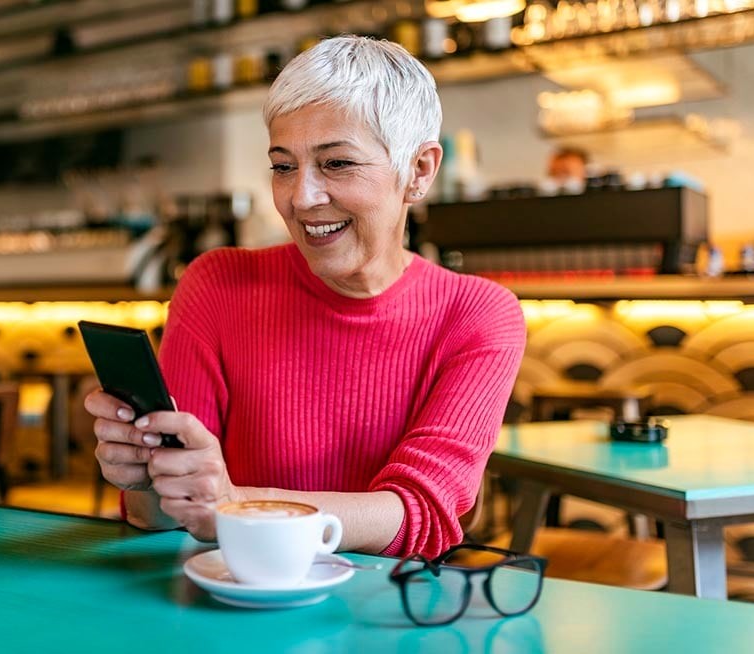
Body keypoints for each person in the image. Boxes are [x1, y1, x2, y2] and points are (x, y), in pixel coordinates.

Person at [84, 35, 526, 558]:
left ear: (419, 171)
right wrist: (145, 483)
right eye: (283, 166)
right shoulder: (217, 285)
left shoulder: (477, 314)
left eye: (337, 164)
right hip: (231, 599)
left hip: (385, 615)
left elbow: (420, 513)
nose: (302, 198)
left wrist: (232, 505)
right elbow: (167, 518)